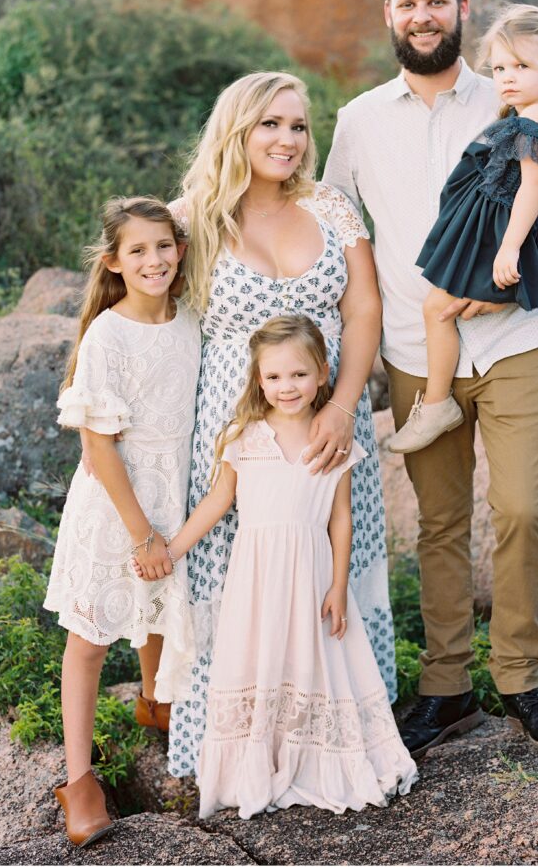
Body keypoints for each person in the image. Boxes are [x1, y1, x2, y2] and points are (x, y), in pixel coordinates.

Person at [323, 0, 538, 757]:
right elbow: (339, 233)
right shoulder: (359, 120)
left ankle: (521, 681)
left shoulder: (516, 88)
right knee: (439, 525)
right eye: (407, 4)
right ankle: (446, 689)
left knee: (521, 509)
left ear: (462, 5)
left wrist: (512, 284)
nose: (422, 16)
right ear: (389, 14)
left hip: (517, 338)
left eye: (436, 3)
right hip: (417, 350)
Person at [165, 71, 396, 779]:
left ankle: (333, 742)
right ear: (237, 130)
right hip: (233, 438)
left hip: (327, 423)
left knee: (331, 568)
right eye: (270, 124)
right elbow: (141, 308)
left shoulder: (331, 206)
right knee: (239, 581)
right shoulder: (191, 217)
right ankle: (237, 751)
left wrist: (341, 405)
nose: (288, 140)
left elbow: (362, 311)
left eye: (298, 126)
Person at [138, 316, 416, 817]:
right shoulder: (245, 436)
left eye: (298, 375)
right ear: (258, 380)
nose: (286, 387)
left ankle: (313, 759)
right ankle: (256, 761)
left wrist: (337, 585)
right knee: (259, 658)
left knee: (310, 661)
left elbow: (342, 519)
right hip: (256, 578)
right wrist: (172, 550)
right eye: (274, 377)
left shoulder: (332, 440)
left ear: (323, 373)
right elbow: (217, 502)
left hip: (311, 575)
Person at [44, 196, 200, 846]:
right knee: (91, 635)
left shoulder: (193, 320)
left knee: (162, 607)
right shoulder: (108, 333)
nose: (154, 259)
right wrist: (141, 531)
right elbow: (98, 446)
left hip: (175, 495)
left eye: (164, 245)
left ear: (181, 250)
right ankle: (79, 781)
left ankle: (155, 698)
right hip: (117, 505)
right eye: (137, 250)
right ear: (113, 261)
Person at [389, 3, 538, 454]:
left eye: (521, 66)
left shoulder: (532, 121)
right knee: (446, 305)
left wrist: (508, 248)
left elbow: (535, 185)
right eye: (500, 67)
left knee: (436, 309)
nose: (507, 77)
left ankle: (438, 403)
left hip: (502, 231)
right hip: (509, 223)